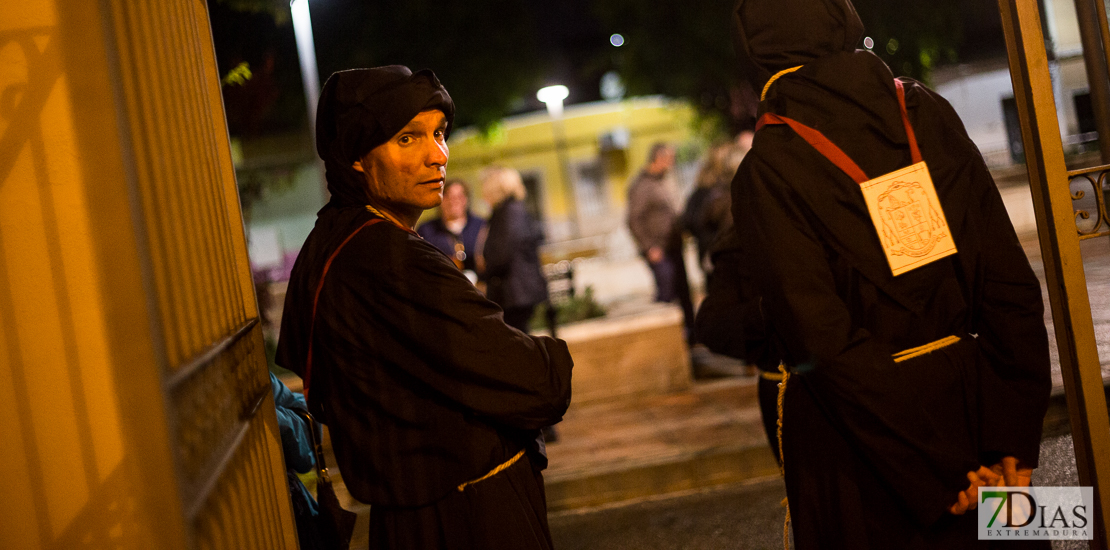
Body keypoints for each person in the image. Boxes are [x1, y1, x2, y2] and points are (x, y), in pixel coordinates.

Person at [730, 1, 1051, 547]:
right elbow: (1009, 283)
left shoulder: (766, 167)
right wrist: (1014, 440)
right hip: (979, 420)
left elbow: (824, 343)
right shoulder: (928, 110)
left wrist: (936, 468)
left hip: (866, 448)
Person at [275, 66, 573, 550]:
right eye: (408, 138)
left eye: (439, 133)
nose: (438, 156)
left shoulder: (332, 243)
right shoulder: (388, 258)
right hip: (468, 519)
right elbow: (537, 382)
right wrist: (550, 359)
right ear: (356, 155)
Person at [626, 143, 695, 341]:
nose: (672, 163)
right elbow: (633, 220)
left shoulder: (663, 180)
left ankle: (691, 336)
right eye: (669, 158)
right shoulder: (642, 185)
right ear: (658, 158)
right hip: (659, 251)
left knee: (683, 292)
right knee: (667, 294)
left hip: (674, 245)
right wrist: (649, 247)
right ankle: (670, 339)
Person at [478, 166, 549, 333]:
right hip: (515, 291)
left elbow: (502, 253)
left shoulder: (509, 213)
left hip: (515, 292)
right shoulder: (510, 211)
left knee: (518, 339)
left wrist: (484, 273)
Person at [417, 178, 486, 281]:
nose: (453, 201)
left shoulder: (480, 225)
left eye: (459, 196)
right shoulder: (427, 229)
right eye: (448, 196)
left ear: (466, 200)